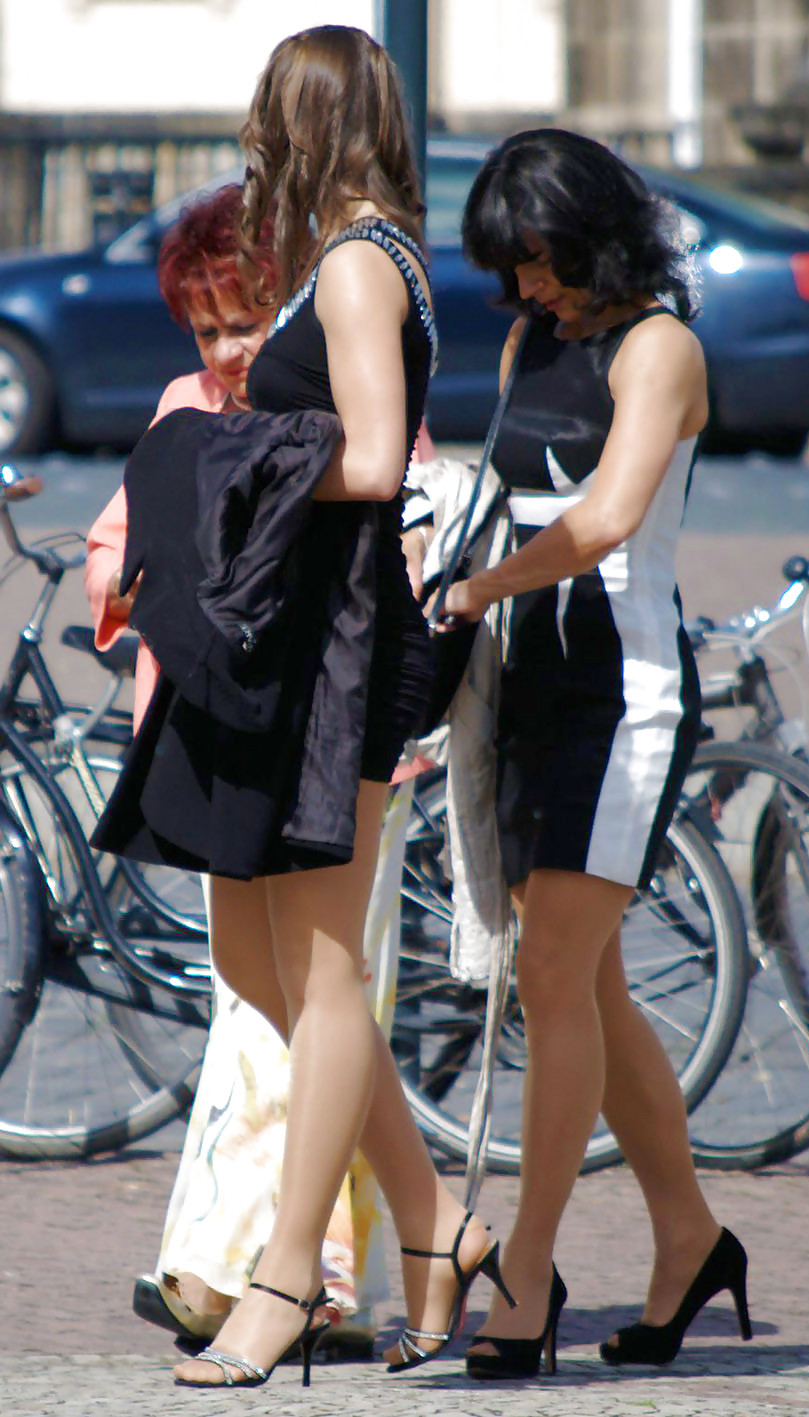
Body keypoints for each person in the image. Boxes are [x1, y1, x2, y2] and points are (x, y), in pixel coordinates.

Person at [90, 26, 513, 1391]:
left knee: (320, 977)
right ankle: (445, 1227)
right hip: (292, 646)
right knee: (256, 969)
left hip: (335, 650)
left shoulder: (349, 264)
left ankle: (284, 1281)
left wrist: (214, 451)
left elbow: (379, 458)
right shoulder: (356, 259)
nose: (251, 145)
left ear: (301, 125)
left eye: (265, 122)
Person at [438, 128, 751, 1380]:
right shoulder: (536, 338)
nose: (526, 289)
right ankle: (690, 1238)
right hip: (528, 680)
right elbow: (506, 487)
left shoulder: (662, 346)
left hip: (623, 691)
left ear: (596, 236)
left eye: (541, 260)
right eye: (512, 269)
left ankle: (528, 1273)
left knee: (559, 978)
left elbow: (611, 514)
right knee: (591, 985)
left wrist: (477, 590)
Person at [84, 183, 401, 1353]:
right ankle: (395, 1233)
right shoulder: (183, 406)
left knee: (315, 1002)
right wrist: (139, 572)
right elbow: (115, 550)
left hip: (323, 736)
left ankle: (289, 1268)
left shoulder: (326, 387)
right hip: (209, 734)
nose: (227, 349)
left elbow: (393, 515)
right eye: (208, 328)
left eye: (246, 317)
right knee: (254, 992)